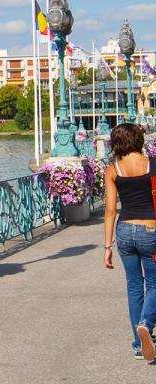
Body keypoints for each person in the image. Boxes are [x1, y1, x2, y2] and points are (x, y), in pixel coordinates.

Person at [104, 123, 156, 361]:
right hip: (150, 230)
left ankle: (138, 344)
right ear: (138, 139)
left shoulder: (113, 169)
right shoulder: (152, 164)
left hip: (124, 231)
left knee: (134, 287)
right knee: (154, 284)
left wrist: (107, 246)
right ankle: (146, 324)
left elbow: (110, 210)